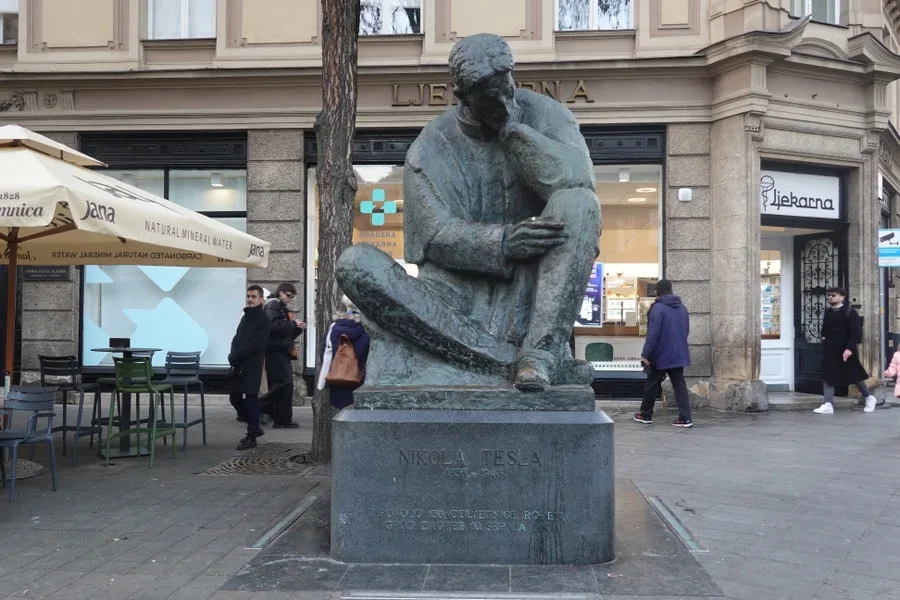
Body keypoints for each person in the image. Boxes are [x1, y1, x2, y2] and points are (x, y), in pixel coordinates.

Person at [336, 33, 601, 393]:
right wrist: (503, 243)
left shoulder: (547, 115)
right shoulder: (429, 147)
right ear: (462, 96)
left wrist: (513, 132)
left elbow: (576, 180)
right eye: (490, 98)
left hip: (526, 295)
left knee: (580, 203)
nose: (504, 102)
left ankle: (539, 355)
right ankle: (503, 363)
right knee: (355, 264)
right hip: (449, 303)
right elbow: (433, 237)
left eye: (507, 88)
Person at [633, 279, 693, 428]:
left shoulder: (658, 308)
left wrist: (645, 354)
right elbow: (686, 330)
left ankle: (645, 414)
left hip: (660, 354)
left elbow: (652, 334)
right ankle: (685, 418)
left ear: (658, 291)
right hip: (678, 352)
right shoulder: (682, 308)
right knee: (679, 385)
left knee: (652, 383)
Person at [813, 287, 878, 414]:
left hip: (845, 349)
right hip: (830, 348)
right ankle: (828, 404)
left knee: (854, 375)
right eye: (829, 295)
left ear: (842, 297)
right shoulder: (828, 311)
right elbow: (825, 328)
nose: (830, 297)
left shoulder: (850, 312)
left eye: (833, 295)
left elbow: (856, 332)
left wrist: (849, 349)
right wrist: (823, 337)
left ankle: (869, 398)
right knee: (827, 375)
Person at [228, 284, 270, 450]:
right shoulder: (245, 317)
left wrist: (238, 354)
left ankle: (252, 435)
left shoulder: (264, 319)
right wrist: (233, 354)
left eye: (253, 297)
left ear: (261, 299)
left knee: (251, 398)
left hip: (252, 364)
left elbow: (257, 344)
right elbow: (237, 337)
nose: (250, 300)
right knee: (235, 397)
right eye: (248, 296)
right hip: (239, 364)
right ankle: (255, 425)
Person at [260, 283, 306, 428]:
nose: (289, 299)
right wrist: (293, 325)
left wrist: (297, 328)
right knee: (284, 384)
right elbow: (273, 326)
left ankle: (281, 419)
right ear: (280, 292)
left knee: (282, 385)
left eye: (291, 297)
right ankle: (262, 407)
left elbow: (284, 332)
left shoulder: (279, 307)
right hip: (275, 351)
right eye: (288, 296)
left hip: (278, 350)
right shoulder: (274, 306)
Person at [316, 295, 370, 410]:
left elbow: (324, 351)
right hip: (360, 380)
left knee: (341, 413)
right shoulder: (366, 330)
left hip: (337, 379)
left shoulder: (334, 328)